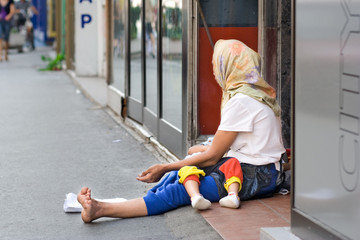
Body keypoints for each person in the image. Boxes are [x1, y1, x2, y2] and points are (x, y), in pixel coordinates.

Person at [77, 39, 285, 223]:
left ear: (228, 67)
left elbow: (213, 156)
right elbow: (226, 145)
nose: (214, 71)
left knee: (179, 188)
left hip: (257, 175)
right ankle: (137, 202)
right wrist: (188, 158)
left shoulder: (241, 101)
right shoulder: (258, 96)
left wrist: (164, 166)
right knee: (181, 173)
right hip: (262, 171)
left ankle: (100, 209)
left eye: (216, 65)